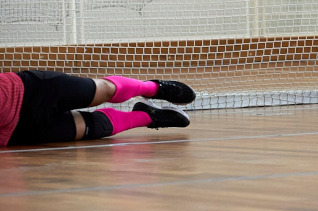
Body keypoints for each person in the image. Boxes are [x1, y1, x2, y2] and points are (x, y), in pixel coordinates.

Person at [0, 71, 195, 147]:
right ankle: (147, 115)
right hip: (12, 133)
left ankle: (152, 88)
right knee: (96, 128)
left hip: (22, 92)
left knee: (103, 90)